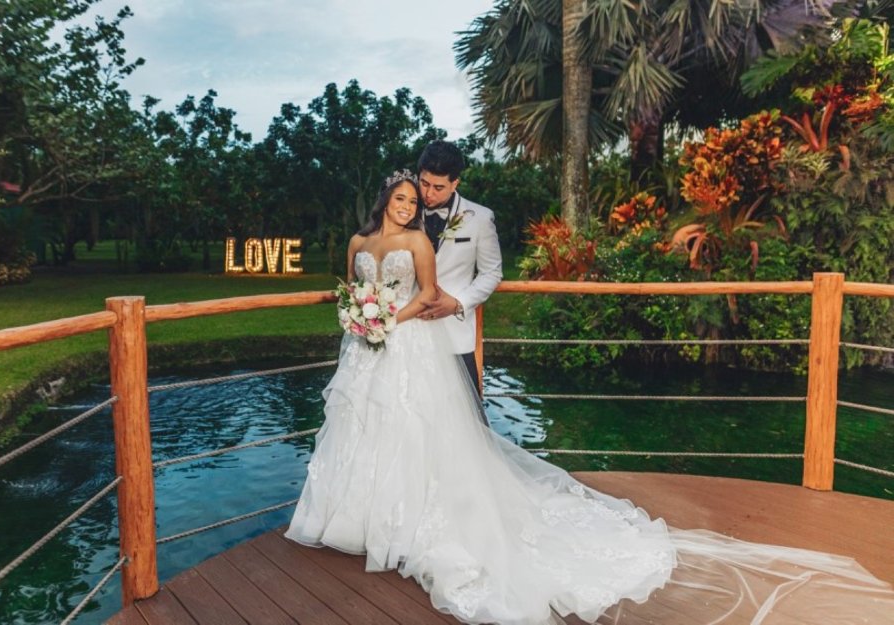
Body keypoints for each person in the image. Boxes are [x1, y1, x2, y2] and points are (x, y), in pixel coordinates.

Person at [285, 170, 894, 625]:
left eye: (419, 197)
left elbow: (450, 286)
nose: (414, 203)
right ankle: (360, 520)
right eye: (406, 196)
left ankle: (411, 520)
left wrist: (398, 319)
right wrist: (359, 320)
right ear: (387, 198)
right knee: (365, 427)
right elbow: (347, 289)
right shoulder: (360, 242)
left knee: (422, 430)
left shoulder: (447, 232)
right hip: (367, 349)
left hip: (415, 340)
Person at [416, 140, 502, 399]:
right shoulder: (401, 213)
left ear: (455, 183)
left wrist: (458, 303)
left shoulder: (480, 218)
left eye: (439, 187)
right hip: (410, 336)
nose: (429, 193)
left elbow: (492, 272)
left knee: (465, 424)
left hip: (455, 337)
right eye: (424, 183)